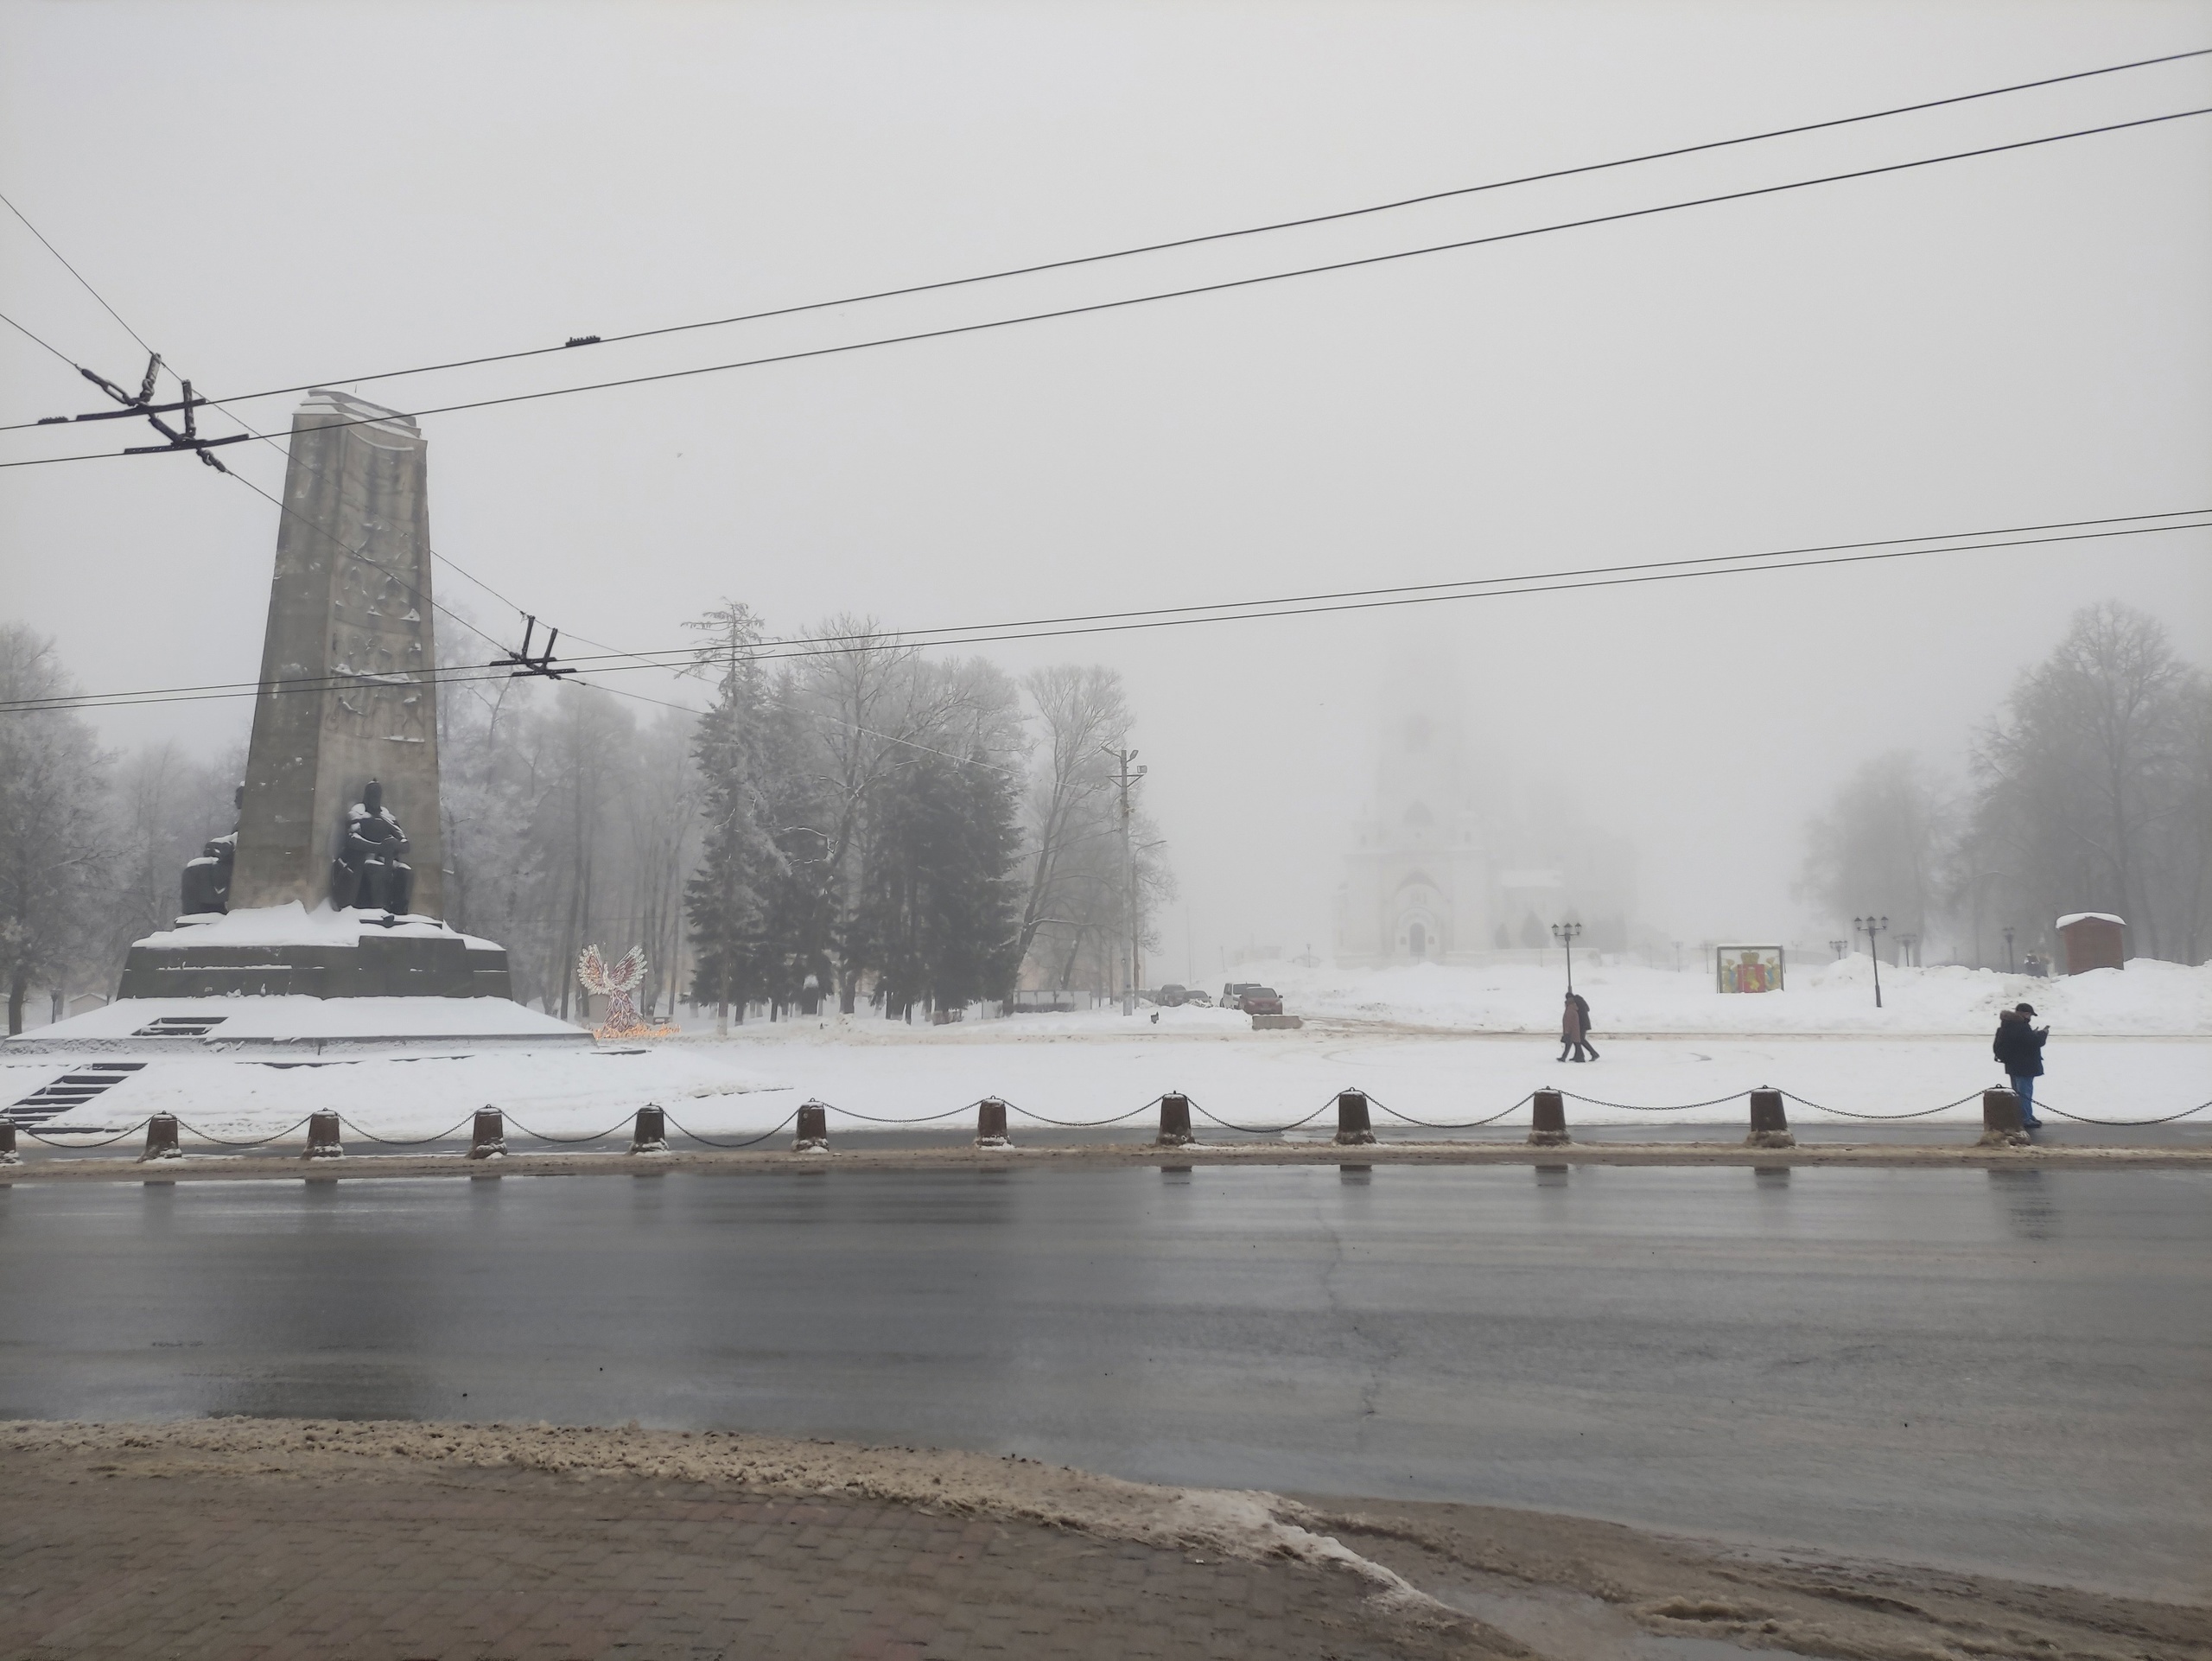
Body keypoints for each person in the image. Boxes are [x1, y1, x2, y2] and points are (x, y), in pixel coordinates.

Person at [1993, 1002, 2048, 1128]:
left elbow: (2020, 1042)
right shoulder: (2020, 1027)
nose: (2030, 1018)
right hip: (2025, 1066)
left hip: (2013, 1065)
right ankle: (2025, 1118)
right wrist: (2042, 1034)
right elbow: (2034, 1042)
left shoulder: (2008, 1025)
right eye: (2029, 1015)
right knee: (2025, 1093)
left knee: (2018, 1093)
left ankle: (2023, 1115)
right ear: (2025, 1014)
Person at [1559, 991, 1598, 1063]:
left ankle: (1593, 1053)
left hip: (1581, 1024)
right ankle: (1577, 1055)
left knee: (1580, 1039)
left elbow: (1576, 1014)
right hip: (1584, 1023)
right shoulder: (1580, 1000)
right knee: (1576, 1039)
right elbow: (1587, 1009)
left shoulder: (1574, 1003)